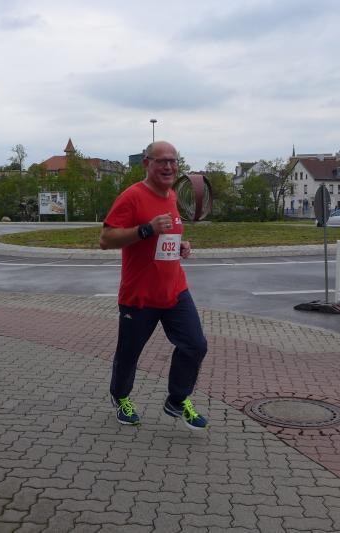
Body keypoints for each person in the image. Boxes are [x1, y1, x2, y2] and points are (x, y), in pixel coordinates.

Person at [99, 141, 208, 429]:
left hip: (174, 290)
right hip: (140, 296)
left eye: (173, 161)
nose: (169, 166)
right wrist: (146, 229)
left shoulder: (172, 196)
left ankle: (177, 400)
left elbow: (165, 236)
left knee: (195, 345)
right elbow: (106, 239)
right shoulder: (132, 197)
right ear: (147, 164)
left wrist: (181, 244)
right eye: (162, 161)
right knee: (129, 354)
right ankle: (121, 396)